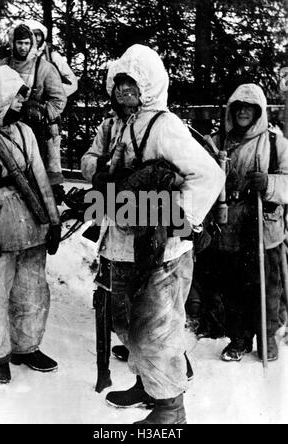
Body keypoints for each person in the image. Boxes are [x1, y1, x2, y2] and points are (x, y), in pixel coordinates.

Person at [81, 44, 225, 424]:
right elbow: (92, 162)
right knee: (126, 321)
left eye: (132, 86)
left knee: (156, 328)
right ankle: (149, 384)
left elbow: (209, 175)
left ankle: (170, 409)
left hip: (161, 249)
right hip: (122, 241)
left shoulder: (164, 126)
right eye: (120, 85)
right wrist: (100, 170)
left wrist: (177, 219)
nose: (124, 93)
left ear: (149, 87)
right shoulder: (116, 126)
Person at [0, 65, 61, 385]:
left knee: (32, 288)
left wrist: (53, 220)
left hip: (30, 217)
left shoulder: (24, 132)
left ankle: (26, 346)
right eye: (15, 95)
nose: (21, 100)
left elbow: (40, 178)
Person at [207, 84, 288, 362]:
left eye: (249, 107)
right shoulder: (218, 142)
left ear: (258, 111)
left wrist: (269, 183)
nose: (243, 111)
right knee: (233, 285)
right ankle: (239, 339)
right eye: (238, 106)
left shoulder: (275, 143)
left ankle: (268, 338)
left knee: (267, 286)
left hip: (263, 226)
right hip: (230, 225)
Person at [0, 23, 67, 193]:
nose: (23, 47)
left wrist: (43, 112)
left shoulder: (44, 68)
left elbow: (58, 99)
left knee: (38, 169)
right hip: (8, 125)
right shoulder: (3, 65)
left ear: (32, 44)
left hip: (38, 128)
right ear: (13, 43)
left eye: (27, 43)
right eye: (19, 43)